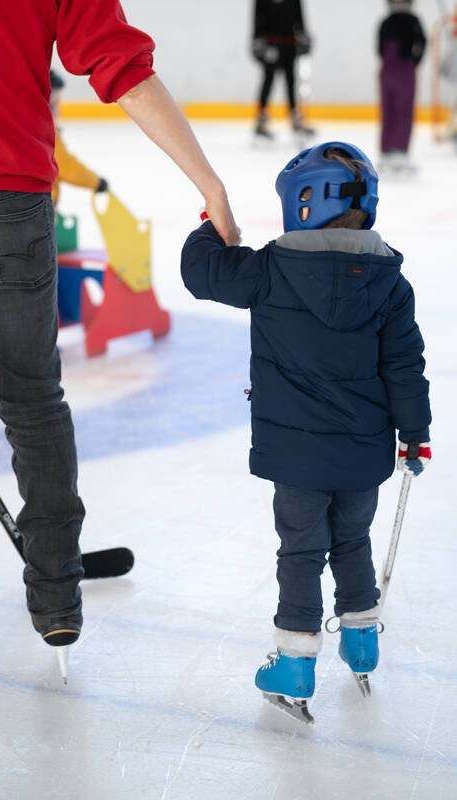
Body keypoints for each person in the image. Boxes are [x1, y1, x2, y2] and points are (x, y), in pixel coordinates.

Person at [0, 0, 239, 664]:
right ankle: (57, 599)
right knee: (35, 407)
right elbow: (120, 65)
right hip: (10, 207)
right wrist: (205, 180)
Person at [181, 141, 431, 722]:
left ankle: (294, 662)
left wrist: (211, 224)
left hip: (295, 458)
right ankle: (361, 640)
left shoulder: (268, 269)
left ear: (301, 205)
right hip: (363, 454)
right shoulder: (390, 283)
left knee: (301, 551)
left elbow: (200, 273)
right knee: (351, 542)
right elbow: (404, 366)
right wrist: (414, 433)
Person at [377, 0, 427, 173]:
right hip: (398, 68)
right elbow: (422, 43)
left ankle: (395, 150)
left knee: (399, 109)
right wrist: (414, 61)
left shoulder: (391, 21)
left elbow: (379, 48)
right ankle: (390, 150)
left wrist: (413, 62)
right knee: (393, 109)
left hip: (397, 68)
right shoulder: (400, 21)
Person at [252, 0, 313, 139]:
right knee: (268, 80)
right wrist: (259, 42)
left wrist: (303, 36)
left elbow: (299, 19)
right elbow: (257, 22)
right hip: (271, 44)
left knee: (291, 80)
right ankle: (261, 119)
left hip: (289, 44)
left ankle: (295, 118)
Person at [49, 70, 109, 209]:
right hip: (35, 210)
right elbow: (65, 166)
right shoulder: (46, 136)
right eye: (54, 104)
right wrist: (96, 182)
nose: (58, 111)